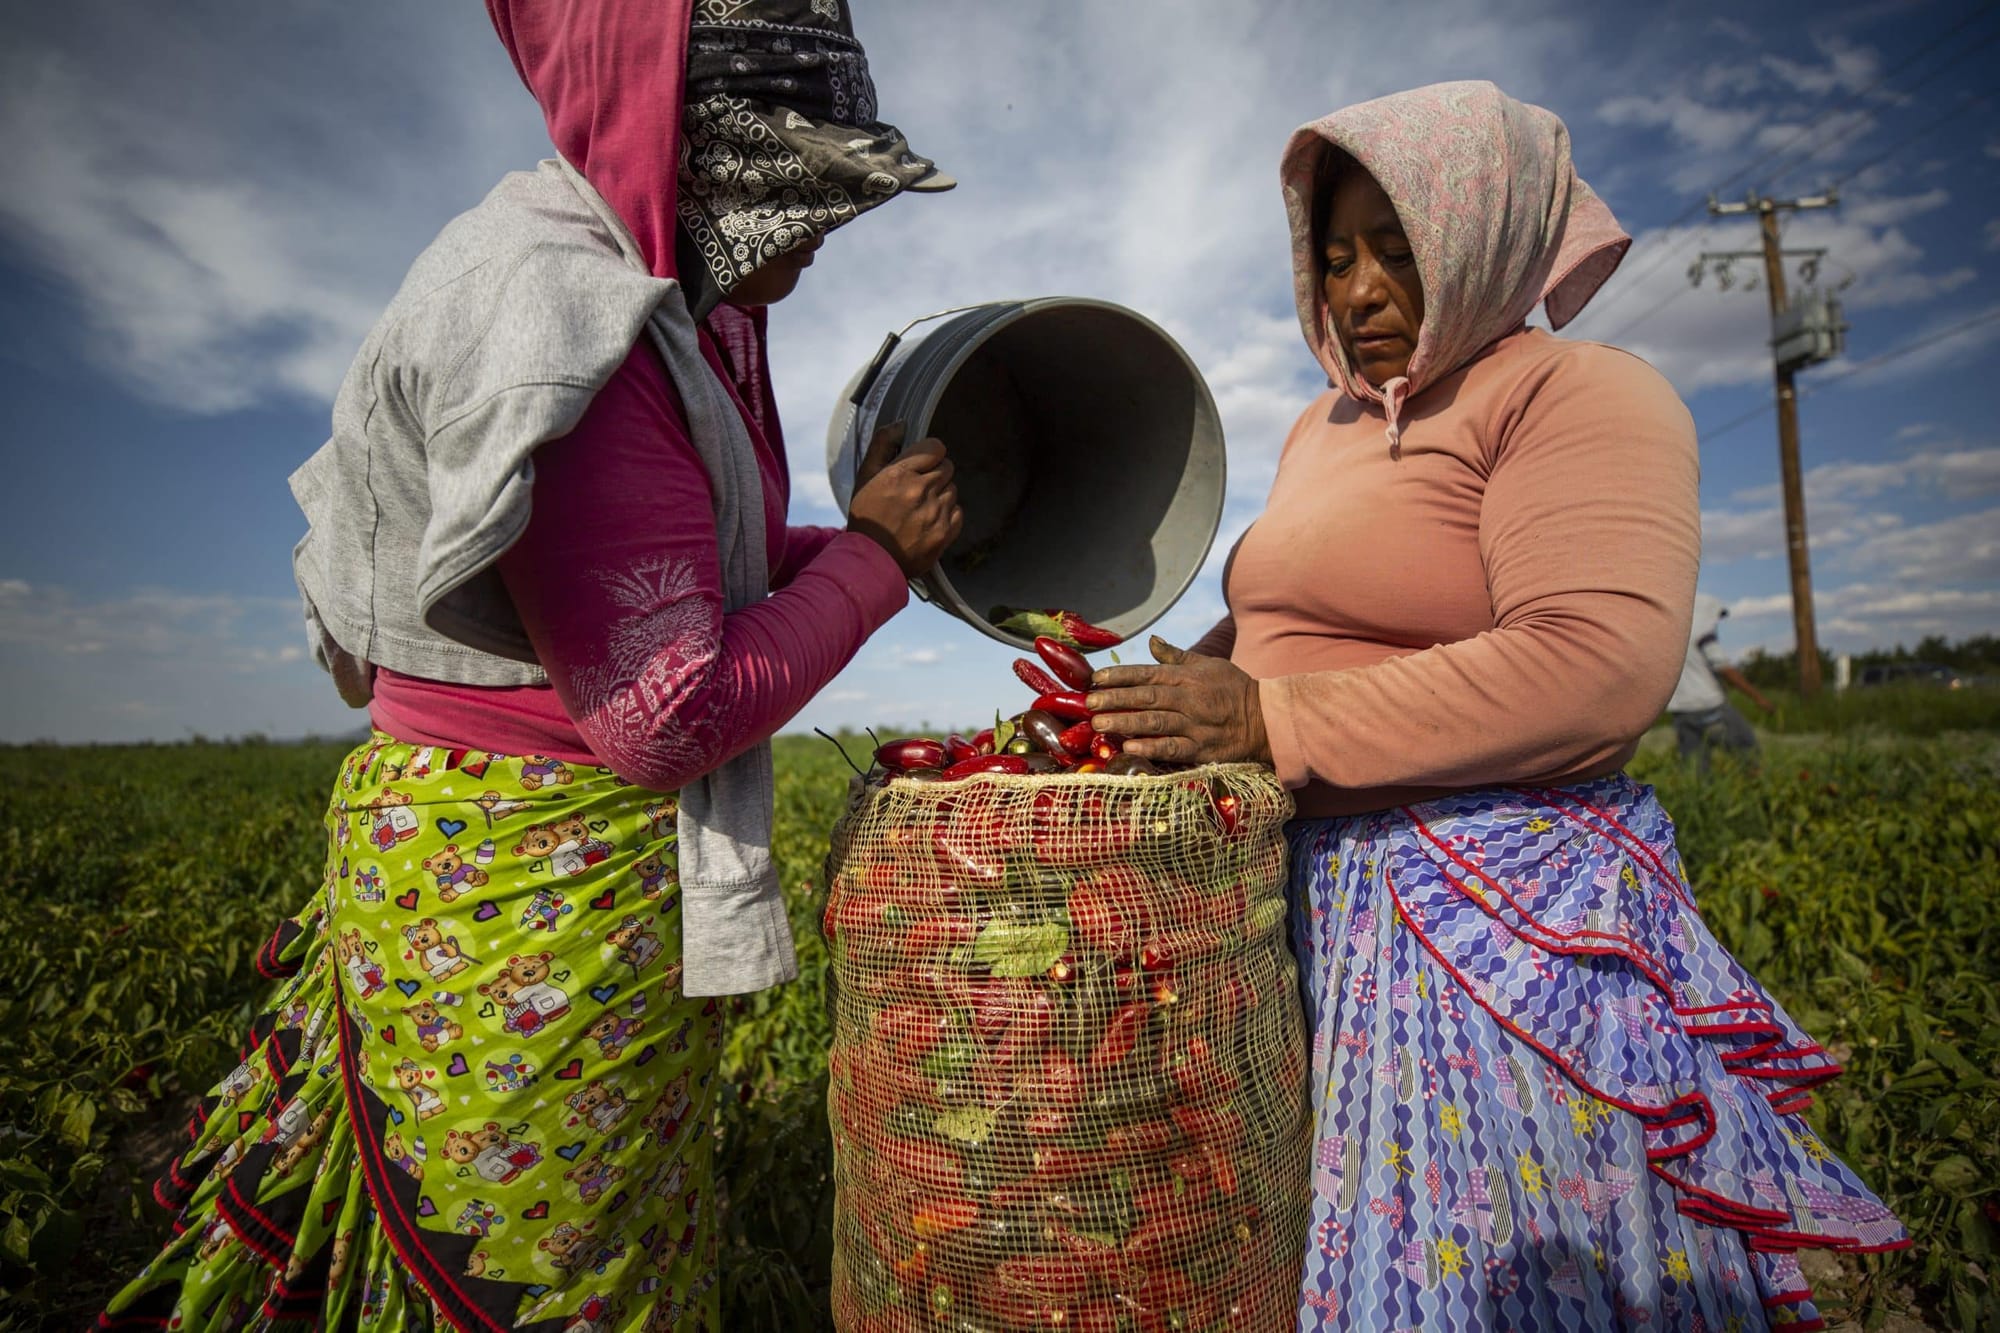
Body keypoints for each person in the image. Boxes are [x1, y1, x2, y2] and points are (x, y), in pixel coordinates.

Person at [99, 2, 959, 1329]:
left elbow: (672, 549)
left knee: (583, 1230)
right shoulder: (573, 327)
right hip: (524, 897)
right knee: (552, 1279)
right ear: (707, 153)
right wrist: (871, 568)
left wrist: (826, 551)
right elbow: (667, 718)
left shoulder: (662, 277)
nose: (830, 226)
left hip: (543, 884)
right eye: (810, 187)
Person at [1088, 82, 1905, 1331]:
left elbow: (1591, 666)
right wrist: (1169, 694)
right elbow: (1290, 618)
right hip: (1313, 900)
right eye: (1335, 254)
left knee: (1465, 1281)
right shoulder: (1326, 426)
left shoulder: (1575, 394)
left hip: (1481, 932)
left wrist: (1266, 723)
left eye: (1399, 253)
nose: (1354, 290)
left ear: (1485, 244)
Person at [1669, 594, 1774, 771]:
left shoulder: (1673, 639)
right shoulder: (1703, 635)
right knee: (1748, 752)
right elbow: (1724, 668)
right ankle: (1758, 789)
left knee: (1696, 769)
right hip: (1710, 706)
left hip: (1681, 711)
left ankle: (1701, 797)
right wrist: (1758, 698)